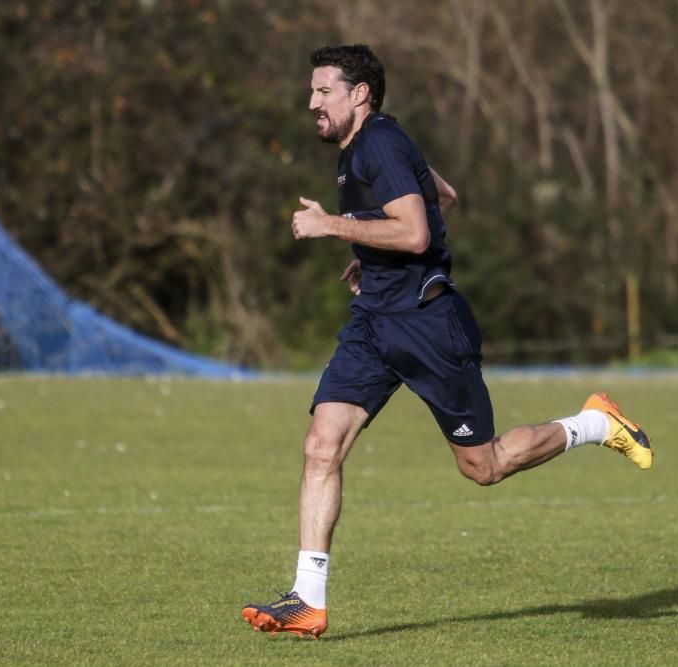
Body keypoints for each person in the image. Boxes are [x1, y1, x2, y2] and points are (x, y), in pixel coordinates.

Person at [241, 44, 652, 639]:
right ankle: (308, 598)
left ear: (360, 93)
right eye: (312, 91)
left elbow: (412, 231)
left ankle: (595, 423)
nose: (312, 102)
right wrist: (370, 258)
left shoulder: (379, 144)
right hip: (374, 324)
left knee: (482, 467)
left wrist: (336, 227)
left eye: (323, 91)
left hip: (428, 327)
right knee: (320, 446)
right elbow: (443, 199)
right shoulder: (371, 144)